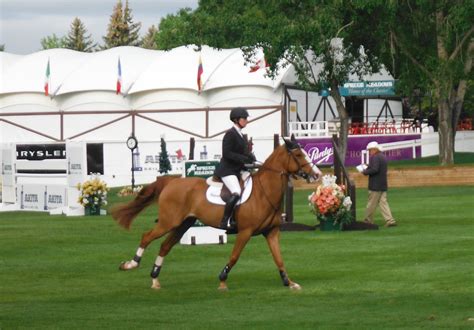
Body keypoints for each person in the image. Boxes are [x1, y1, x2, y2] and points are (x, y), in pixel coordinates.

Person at [214, 107, 256, 230]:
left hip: (237, 170)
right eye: (244, 119)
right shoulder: (230, 134)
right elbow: (227, 153)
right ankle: (225, 221)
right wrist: (243, 159)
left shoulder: (240, 135)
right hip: (227, 170)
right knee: (236, 192)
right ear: (236, 120)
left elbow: (242, 152)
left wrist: (250, 157)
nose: (246, 121)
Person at [361, 141, 397, 227]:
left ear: (374, 149)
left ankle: (367, 221)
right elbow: (377, 168)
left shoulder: (375, 157)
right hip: (383, 184)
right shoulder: (383, 157)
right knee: (383, 203)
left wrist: (365, 171)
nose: (369, 152)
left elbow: (375, 169)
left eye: (370, 150)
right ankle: (390, 220)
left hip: (375, 185)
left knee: (371, 204)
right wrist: (369, 166)